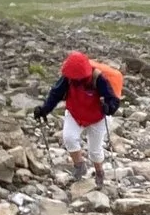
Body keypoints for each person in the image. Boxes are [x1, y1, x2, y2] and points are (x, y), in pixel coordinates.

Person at [32, 51, 118, 185]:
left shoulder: (98, 78)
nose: (76, 80)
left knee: (95, 150)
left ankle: (99, 172)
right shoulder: (68, 78)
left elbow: (112, 98)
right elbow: (55, 94)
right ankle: (80, 166)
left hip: (97, 117)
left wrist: (109, 107)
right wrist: (44, 110)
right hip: (75, 113)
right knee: (69, 138)